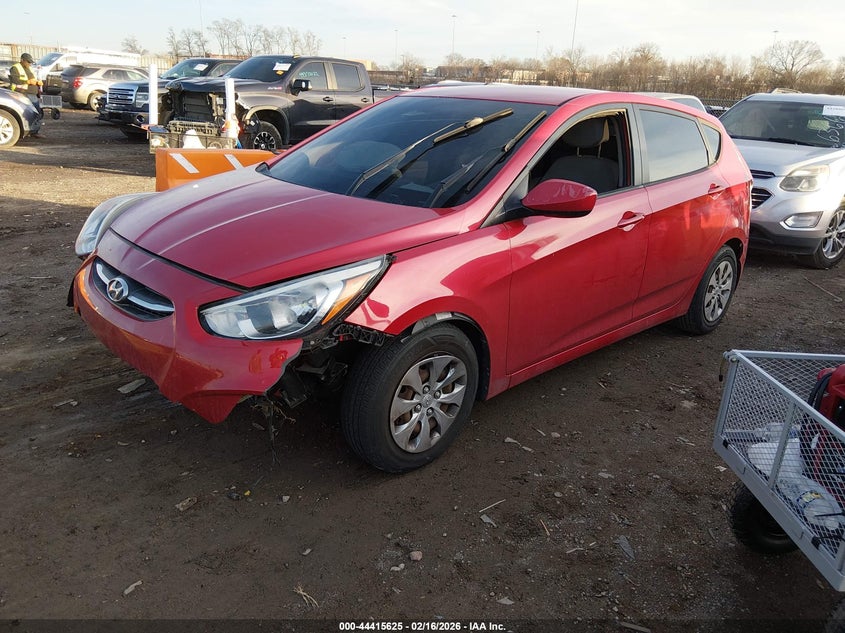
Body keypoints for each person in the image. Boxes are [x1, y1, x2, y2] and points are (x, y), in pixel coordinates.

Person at [9, 53, 44, 135]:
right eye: (28, 62)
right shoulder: (15, 68)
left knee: (37, 112)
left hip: (32, 94)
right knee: (30, 113)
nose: (29, 64)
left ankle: (34, 131)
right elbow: (15, 80)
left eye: (30, 62)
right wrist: (28, 82)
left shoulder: (30, 68)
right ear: (22, 60)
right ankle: (31, 131)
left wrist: (38, 83)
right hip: (23, 93)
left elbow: (33, 79)